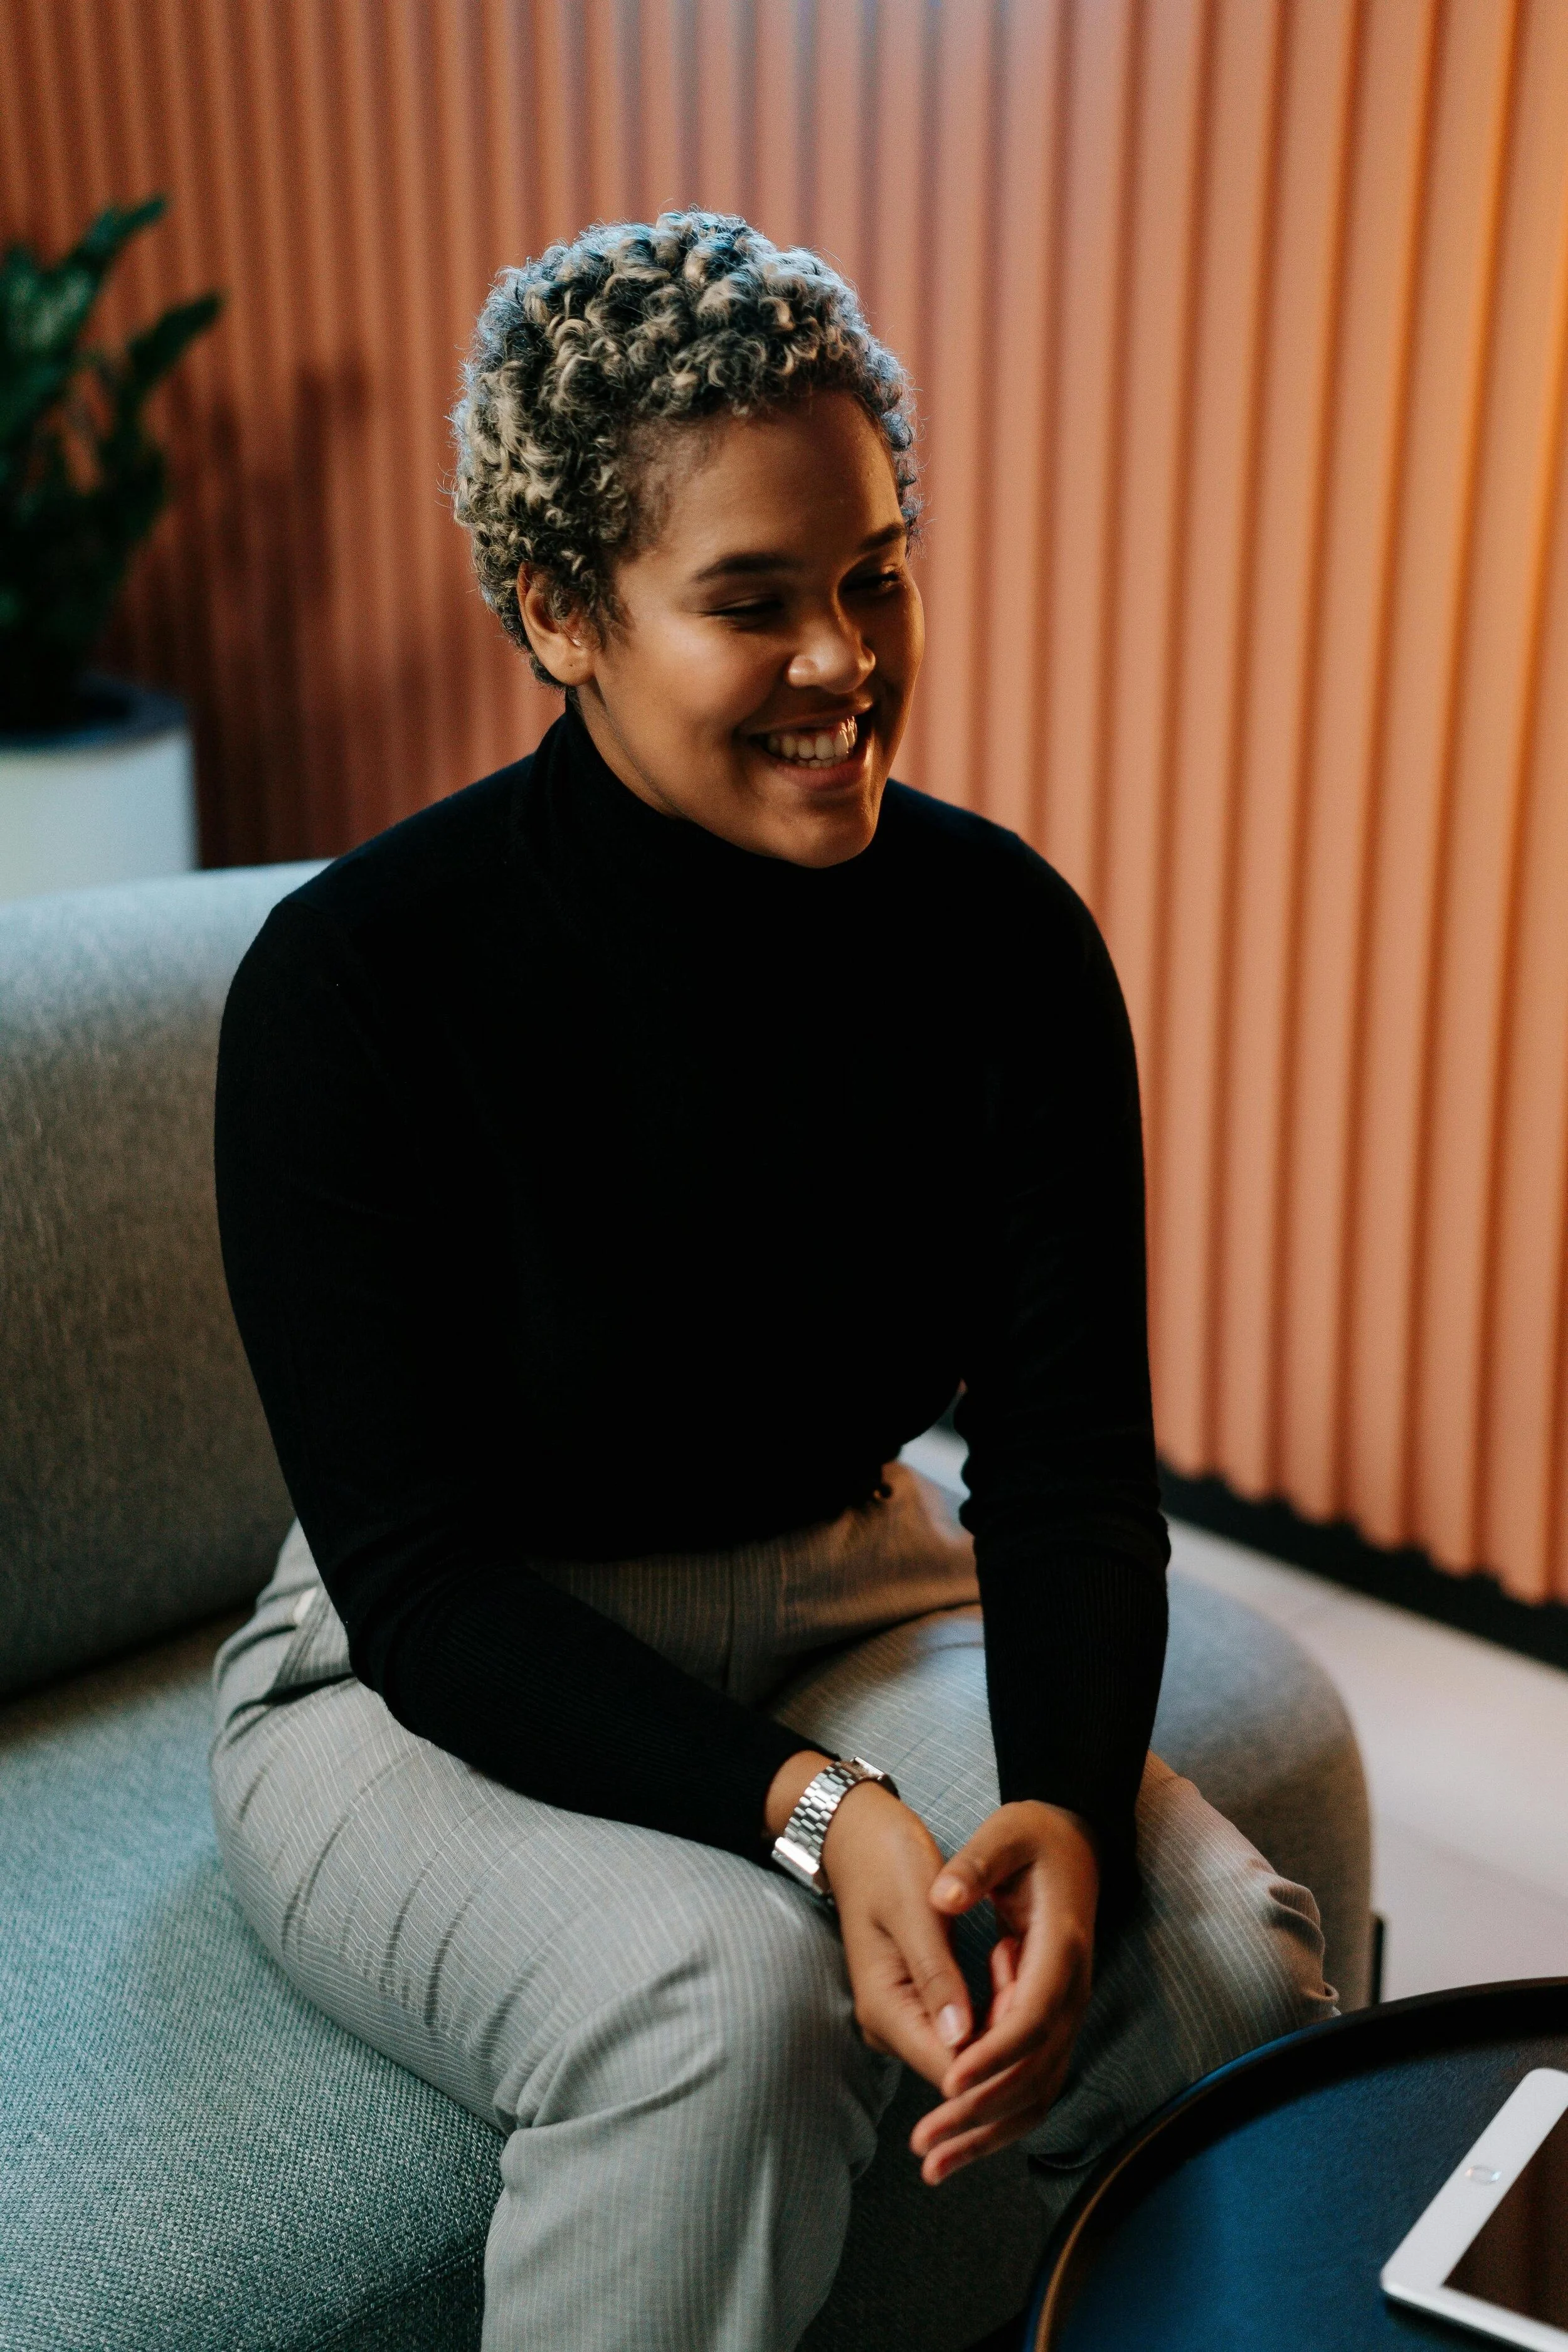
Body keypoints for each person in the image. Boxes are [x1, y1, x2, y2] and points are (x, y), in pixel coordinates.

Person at [210, 212, 1333, 2352]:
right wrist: (818, 1819)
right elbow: (422, 1577)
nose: (846, 660)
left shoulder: (1002, 942)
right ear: (560, 614)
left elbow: (1068, 1460)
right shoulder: (355, 988)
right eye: (749, 600)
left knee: (1200, 1956)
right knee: (722, 2006)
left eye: (874, 570)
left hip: (837, 1578)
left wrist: (1069, 1811)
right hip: (412, 1659)